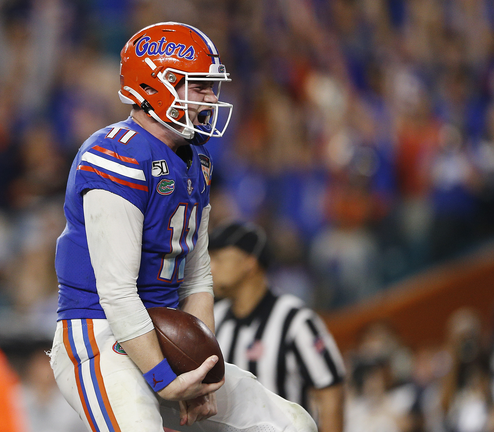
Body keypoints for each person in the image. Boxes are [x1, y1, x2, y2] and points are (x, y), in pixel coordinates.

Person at [49, 22, 317, 432]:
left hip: (166, 333)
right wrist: (163, 376)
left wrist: (201, 368)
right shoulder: (115, 155)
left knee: (292, 424)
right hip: (100, 336)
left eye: (212, 87)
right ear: (156, 85)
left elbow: (196, 277)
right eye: (200, 86)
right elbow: (117, 292)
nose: (212, 98)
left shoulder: (198, 162)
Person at [208, 221, 346, 432]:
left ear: (249, 262)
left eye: (218, 258)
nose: (210, 268)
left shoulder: (296, 321)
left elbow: (330, 394)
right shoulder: (214, 317)